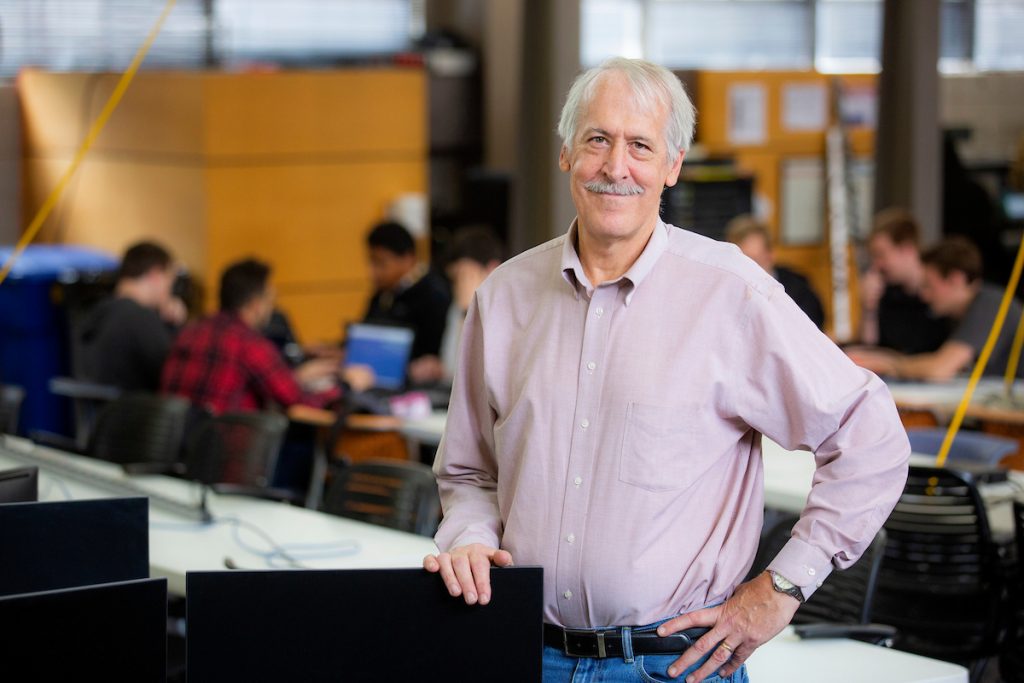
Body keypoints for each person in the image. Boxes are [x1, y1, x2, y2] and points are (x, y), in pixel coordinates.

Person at [423, 57, 909, 683]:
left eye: (640, 146)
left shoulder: (730, 293)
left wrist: (783, 585)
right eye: (597, 139)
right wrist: (466, 535)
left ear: (673, 165)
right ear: (567, 152)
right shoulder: (503, 296)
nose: (615, 166)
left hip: (670, 666)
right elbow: (467, 471)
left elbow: (870, 435)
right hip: (521, 653)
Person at [162, 258, 374, 414]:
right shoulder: (249, 343)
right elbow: (297, 402)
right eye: (270, 300)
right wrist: (346, 386)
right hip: (228, 458)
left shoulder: (190, 331)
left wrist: (297, 378)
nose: (273, 308)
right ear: (256, 304)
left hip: (177, 453)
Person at [849, 237, 1023, 381]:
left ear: (956, 279)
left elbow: (939, 369)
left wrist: (886, 363)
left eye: (929, 286)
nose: (924, 296)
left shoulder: (990, 305)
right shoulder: (956, 315)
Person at [80, 241, 187, 392]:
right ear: (155, 275)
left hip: (103, 412)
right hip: (136, 411)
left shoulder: (96, 312)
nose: (170, 291)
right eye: (170, 281)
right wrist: (175, 325)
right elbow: (176, 373)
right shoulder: (140, 318)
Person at [408, 226, 505, 384]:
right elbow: (455, 368)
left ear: (492, 268)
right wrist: (438, 368)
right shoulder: (457, 305)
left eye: (465, 276)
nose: (459, 285)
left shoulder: (505, 309)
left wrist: (468, 312)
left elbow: (487, 374)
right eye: (455, 279)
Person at [858, 209, 950, 354]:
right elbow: (870, 349)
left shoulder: (943, 288)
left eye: (881, 255)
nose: (876, 265)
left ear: (907, 248)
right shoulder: (885, 293)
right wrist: (869, 309)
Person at [362, 221, 451, 362]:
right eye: (371, 262)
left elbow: (433, 352)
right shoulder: (383, 293)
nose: (373, 272)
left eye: (380, 263)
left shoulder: (434, 295)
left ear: (407, 258)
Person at [725, 215, 825, 329]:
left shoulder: (798, 290)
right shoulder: (726, 293)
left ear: (771, 255)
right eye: (742, 262)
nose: (748, 269)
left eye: (755, 260)